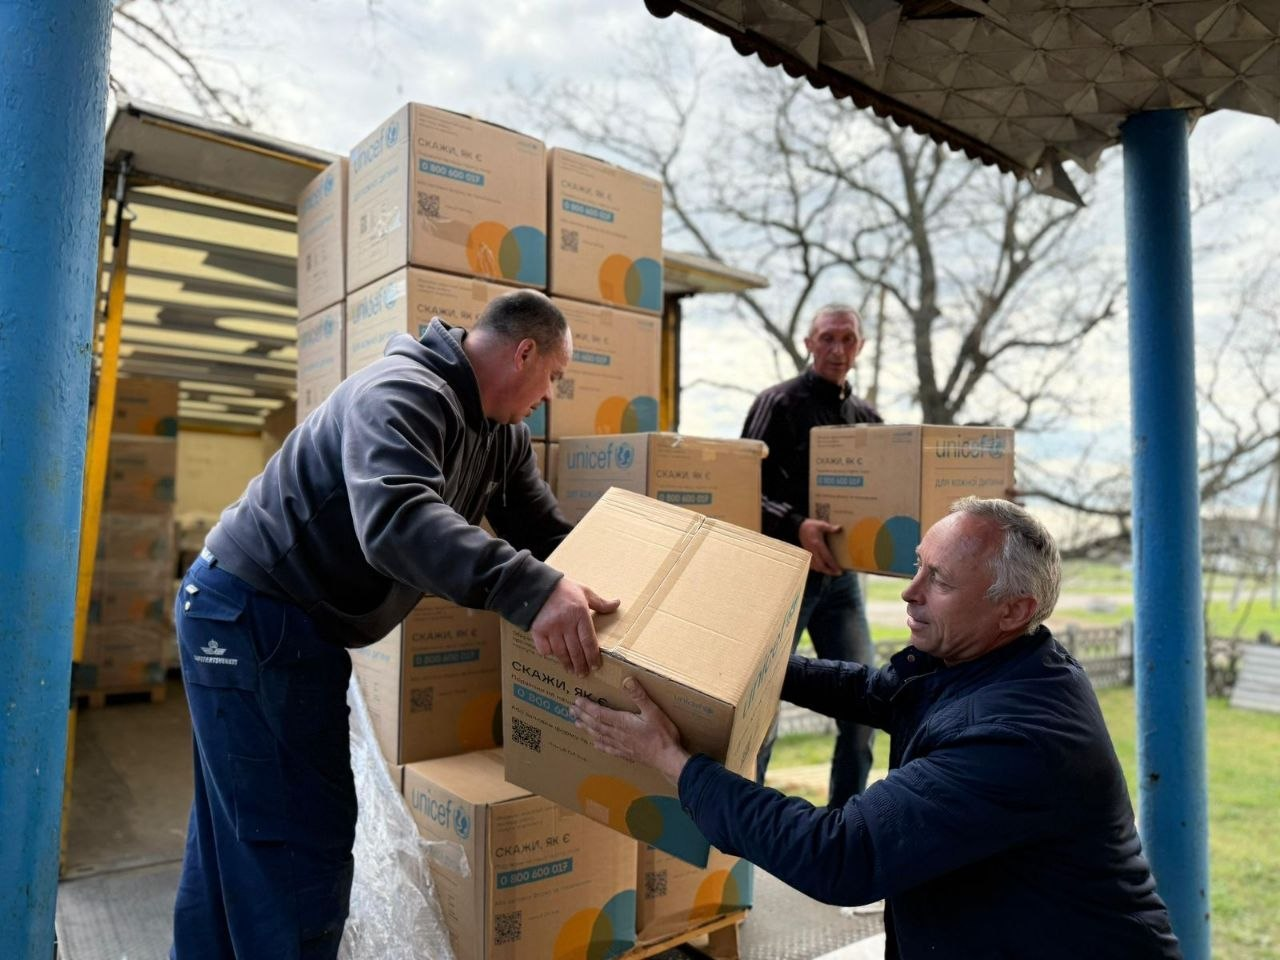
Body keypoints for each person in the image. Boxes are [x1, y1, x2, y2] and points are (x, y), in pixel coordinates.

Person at [171, 289, 617, 959]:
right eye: (555, 376)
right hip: (249, 612)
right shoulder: (403, 391)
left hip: (293, 624)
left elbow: (546, 536)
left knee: (238, 833)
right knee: (295, 841)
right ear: (525, 352)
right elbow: (397, 520)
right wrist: (533, 588)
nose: (552, 394)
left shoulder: (502, 437)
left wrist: (627, 590)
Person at [572, 497, 1182, 959]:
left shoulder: (1015, 738)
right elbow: (870, 690)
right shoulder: (991, 659)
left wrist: (674, 762)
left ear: (1014, 609)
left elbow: (842, 855)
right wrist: (737, 663)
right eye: (919, 566)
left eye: (939, 581)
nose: (911, 593)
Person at [741, 303, 882, 807]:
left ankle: (847, 826)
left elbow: (890, 499)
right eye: (827, 338)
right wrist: (795, 525)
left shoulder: (868, 420)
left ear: (860, 347)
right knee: (759, 717)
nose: (837, 349)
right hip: (782, 579)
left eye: (848, 339)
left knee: (864, 710)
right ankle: (742, 834)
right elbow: (739, 487)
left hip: (841, 583)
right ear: (808, 343)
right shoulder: (776, 404)